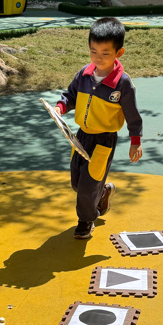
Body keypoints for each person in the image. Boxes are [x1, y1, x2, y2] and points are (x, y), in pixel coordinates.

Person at [54, 17, 144, 239]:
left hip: (104, 141)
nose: (98, 58)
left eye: (105, 53)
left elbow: (132, 115)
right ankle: (102, 193)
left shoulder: (122, 84)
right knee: (78, 183)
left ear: (119, 53)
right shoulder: (84, 74)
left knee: (87, 186)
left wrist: (135, 141)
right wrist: (60, 107)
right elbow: (70, 95)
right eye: (93, 51)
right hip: (81, 137)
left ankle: (86, 220)